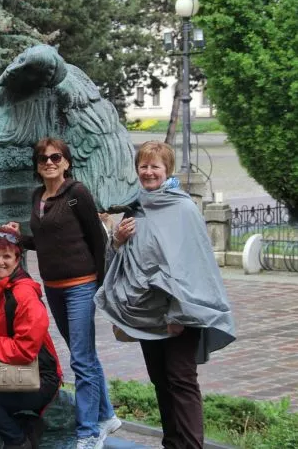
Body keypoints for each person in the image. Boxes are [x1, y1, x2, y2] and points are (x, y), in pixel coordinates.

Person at [95, 141, 236, 449]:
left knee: (181, 380)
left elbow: (192, 267)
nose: (148, 172)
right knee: (160, 380)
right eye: (143, 166)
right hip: (148, 314)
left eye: (155, 166)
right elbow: (122, 263)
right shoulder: (135, 208)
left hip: (181, 313)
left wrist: (177, 314)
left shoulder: (183, 209)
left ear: (167, 170)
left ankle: (191, 445)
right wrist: (117, 240)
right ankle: (171, 443)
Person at [6, 137, 119, 449]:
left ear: (66, 162)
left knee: (80, 359)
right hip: (54, 287)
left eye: (56, 157)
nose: (49, 163)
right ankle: (107, 415)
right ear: (37, 165)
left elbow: (97, 239)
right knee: (84, 356)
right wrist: (20, 238)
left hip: (81, 285)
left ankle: (88, 432)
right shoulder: (38, 196)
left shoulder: (76, 193)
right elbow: (44, 240)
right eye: (43, 159)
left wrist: (101, 284)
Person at [0, 227, 63, 449]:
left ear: (17, 260)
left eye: (7, 256)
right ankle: (26, 425)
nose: (0, 262)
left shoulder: (23, 293)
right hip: (13, 371)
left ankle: (18, 441)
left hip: (40, 379)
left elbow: (26, 349)